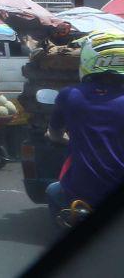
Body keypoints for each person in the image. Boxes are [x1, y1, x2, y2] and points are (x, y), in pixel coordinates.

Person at [45, 31, 124, 223]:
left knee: (52, 191)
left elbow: (54, 134)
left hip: (81, 194)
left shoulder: (69, 95)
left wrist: (72, 140)